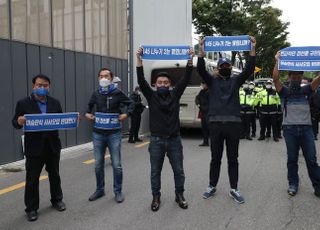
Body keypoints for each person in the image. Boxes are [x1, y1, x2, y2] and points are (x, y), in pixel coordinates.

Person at [197, 36, 256, 204]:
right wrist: (201, 49)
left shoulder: (236, 81)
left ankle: (234, 189)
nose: (225, 68)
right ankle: (211, 186)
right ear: (217, 68)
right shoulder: (212, 82)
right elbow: (200, 69)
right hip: (215, 125)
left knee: (233, 159)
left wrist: (252, 48)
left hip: (233, 125)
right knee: (215, 158)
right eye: (222, 66)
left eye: (227, 66)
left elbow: (249, 69)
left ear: (230, 68)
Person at [136, 47, 194, 211]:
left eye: (166, 83)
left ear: (170, 85)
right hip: (156, 141)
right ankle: (156, 197)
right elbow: (141, 80)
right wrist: (139, 60)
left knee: (179, 171)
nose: (162, 84)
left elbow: (186, 78)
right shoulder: (151, 95)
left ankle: (179, 195)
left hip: (174, 140)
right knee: (155, 172)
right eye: (160, 82)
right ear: (155, 84)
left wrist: (190, 60)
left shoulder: (175, 94)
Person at [12, 74, 66, 222]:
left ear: (49, 87)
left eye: (45, 85)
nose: (42, 88)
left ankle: (57, 200)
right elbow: (15, 122)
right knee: (32, 179)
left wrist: (73, 119)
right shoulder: (23, 103)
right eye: (39, 85)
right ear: (33, 86)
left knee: (54, 175)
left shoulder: (55, 102)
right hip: (34, 148)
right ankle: (31, 208)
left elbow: (61, 120)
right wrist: (19, 121)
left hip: (52, 147)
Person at [273, 51, 320, 197]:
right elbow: (275, 79)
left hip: (306, 130)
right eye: (293, 76)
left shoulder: (307, 90)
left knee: (311, 159)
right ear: (289, 77)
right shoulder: (284, 91)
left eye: (299, 76)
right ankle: (293, 184)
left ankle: (318, 186)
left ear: (301, 77)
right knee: (292, 159)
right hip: (290, 130)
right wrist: (277, 61)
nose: (296, 78)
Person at [85, 68, 134, 203]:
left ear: (112, 78)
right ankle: (100, 190)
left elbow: (131, 103)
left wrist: (126, 114)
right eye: (101, 76)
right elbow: (88, 108)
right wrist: (88, 114)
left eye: (106, 76)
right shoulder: (96, 93)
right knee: (98, 165)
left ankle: (118, 191)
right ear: (98, 78)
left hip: (114, 133)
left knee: (117, 164)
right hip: (98, 133)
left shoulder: (117, 93)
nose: (103, 79)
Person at [195, 82, 210, 146]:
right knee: (204, 127)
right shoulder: (201, 91)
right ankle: (205, 141)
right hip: (202, 111)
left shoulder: (210, 91)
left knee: (209, 127)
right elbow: (197, 98)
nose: (202, 85)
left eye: (203, 84)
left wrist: (204, 107)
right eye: (202, 84)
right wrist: (198, 104)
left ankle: (214, 142)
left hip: (208, 112)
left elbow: (210, 102)